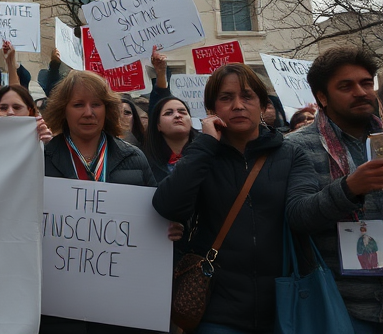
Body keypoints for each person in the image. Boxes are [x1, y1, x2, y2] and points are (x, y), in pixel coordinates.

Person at [154, 62, 330, 334]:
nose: (237, 105)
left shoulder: (291, 154)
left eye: (247, 96)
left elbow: (303, 214)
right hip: (216, 310)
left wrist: (349, 190)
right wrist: (205, 146)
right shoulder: (201, 153)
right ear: (212, 109)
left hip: (286, 307)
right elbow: (169, 205)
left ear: (262, 105)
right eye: (226, 98)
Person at [42, 70, 174, 334]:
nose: (88, 112)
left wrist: (169, 228)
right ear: (63, 110)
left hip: (121, 309)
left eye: (96, 104)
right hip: (57, 307)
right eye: (78, 105)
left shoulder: (134, 157)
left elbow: (157, 214)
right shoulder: (41, 157)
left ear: (107, 109)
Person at [286, 46, 383, 332]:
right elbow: (297, 216)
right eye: (346, 86)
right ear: (322, 97)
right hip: (342, 306)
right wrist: (349, 188)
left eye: (366, 83)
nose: (361, 92)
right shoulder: (297, 147)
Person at [142, 96, 196, 182]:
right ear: (158, 125)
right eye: (168, 113)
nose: (178, 115)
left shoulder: (208, 152)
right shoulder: (143, 161)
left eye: (183, 112)